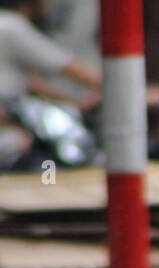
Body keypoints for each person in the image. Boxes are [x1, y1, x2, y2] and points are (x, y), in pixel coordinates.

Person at [0, 0, 101, 163]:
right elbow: (71, 68)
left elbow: (32, 84)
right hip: (8, 128)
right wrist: (131, 89)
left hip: (12, 117)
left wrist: (75, 102)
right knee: (22, 144)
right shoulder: (11, 26)